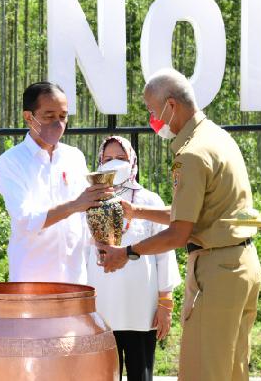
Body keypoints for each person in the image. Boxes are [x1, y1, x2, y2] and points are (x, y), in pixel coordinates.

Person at [98, 68, 261, 381]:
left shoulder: (191, 154)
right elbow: (194, 213)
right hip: (241, 265)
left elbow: (179, 232)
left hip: (216, 271)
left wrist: (127, 252)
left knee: (203, 372)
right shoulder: (218, 137)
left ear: (170, 105)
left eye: (151, 109)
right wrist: (141, 212)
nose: (152, 118)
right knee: (231, 371)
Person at [0, 82, 112, 283]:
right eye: (49, 116)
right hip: (31, 277)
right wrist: (75, 205)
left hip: (74, 277)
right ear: (28, 117)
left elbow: (87, 212)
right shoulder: (11, 161)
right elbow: (26, 220)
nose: (58, 124)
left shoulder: (74, 156)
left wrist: (103, 236)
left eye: (63, 116)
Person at [86, 136, 182, 381]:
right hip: (101, 310)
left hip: (141, 309)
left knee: (141, 374)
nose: (114, 164)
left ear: (133, 162)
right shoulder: (88, 202)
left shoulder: (149, 202)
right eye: (108, 159)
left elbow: (164, 255)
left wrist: (165, 305)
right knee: (104, 374)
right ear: (99, 162)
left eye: (121, 158)